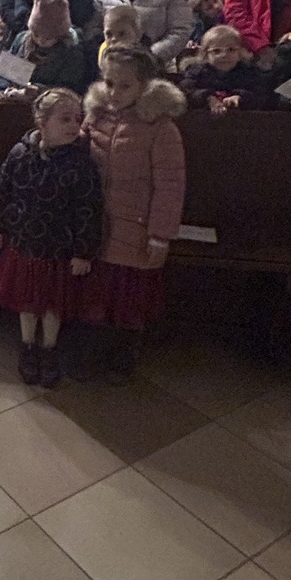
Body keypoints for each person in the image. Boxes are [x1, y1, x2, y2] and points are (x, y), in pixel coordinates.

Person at [79, 45, 186, 381]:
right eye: (109, 83)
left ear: (144, 85)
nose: (114, 92)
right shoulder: (96, 116)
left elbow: (170, 185)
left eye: (125, 86)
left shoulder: (160, 127)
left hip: (136, 225)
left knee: (128, 295)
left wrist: (159, 235)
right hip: (98, 223)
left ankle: (123, 352)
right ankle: (95, 349)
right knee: (97, 291)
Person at [0, 89, 103, 385]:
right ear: (42, 122)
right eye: (65, 119)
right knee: (27, 300)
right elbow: (3, 188)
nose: (74, 125)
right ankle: (28, 345)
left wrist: (84, 251)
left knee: (52, 303)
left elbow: (89, 209)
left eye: (77, 118)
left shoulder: (80, 162)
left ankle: (49, 347)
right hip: (25, 243)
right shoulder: (21, 152)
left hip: (59, 247)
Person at [0, 0, 87, 99]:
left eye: (48, 38)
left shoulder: (71, 50)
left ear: (61, 35)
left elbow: (71, 89)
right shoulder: (22, 41)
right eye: (36, 34)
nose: (41, 41)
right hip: (14, 104)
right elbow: (2, 74)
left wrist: (40, 91)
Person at [180, 24, 262, 112]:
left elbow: (260, 94)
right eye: (216, 51)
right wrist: (207, 97)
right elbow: (186, 92)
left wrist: (241, 97)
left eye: (231, 49)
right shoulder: (196, 73)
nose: (224, 55)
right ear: (205, 55)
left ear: (240, 53)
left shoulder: (249, 73)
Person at [97, 2, 144, 70]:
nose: (114, 39)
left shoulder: (144, 55)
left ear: (138, 34)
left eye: (122, 34)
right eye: (109, 34)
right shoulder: (104, 50)